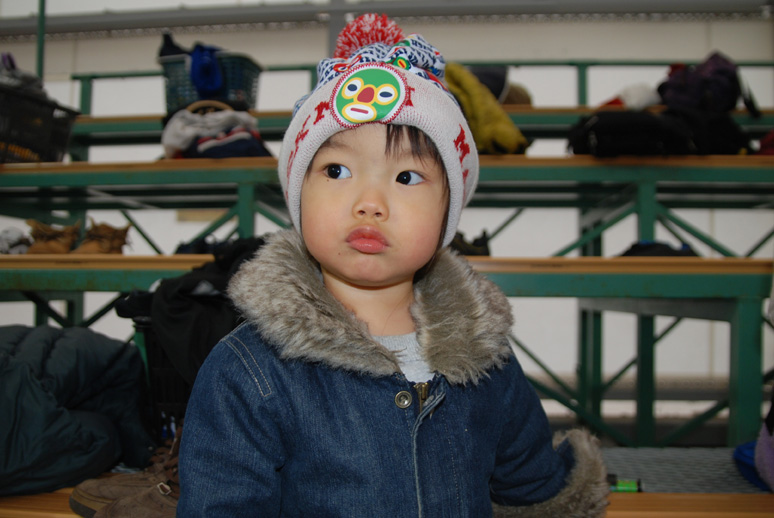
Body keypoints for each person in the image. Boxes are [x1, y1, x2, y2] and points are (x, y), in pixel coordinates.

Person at [177, 14, 608, 517]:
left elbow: (538, 490)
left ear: (448, 213)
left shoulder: (487, 361)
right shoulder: (246, 372)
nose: (370, 202)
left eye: (407, 177)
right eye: (337, 170)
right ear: (298, 196)